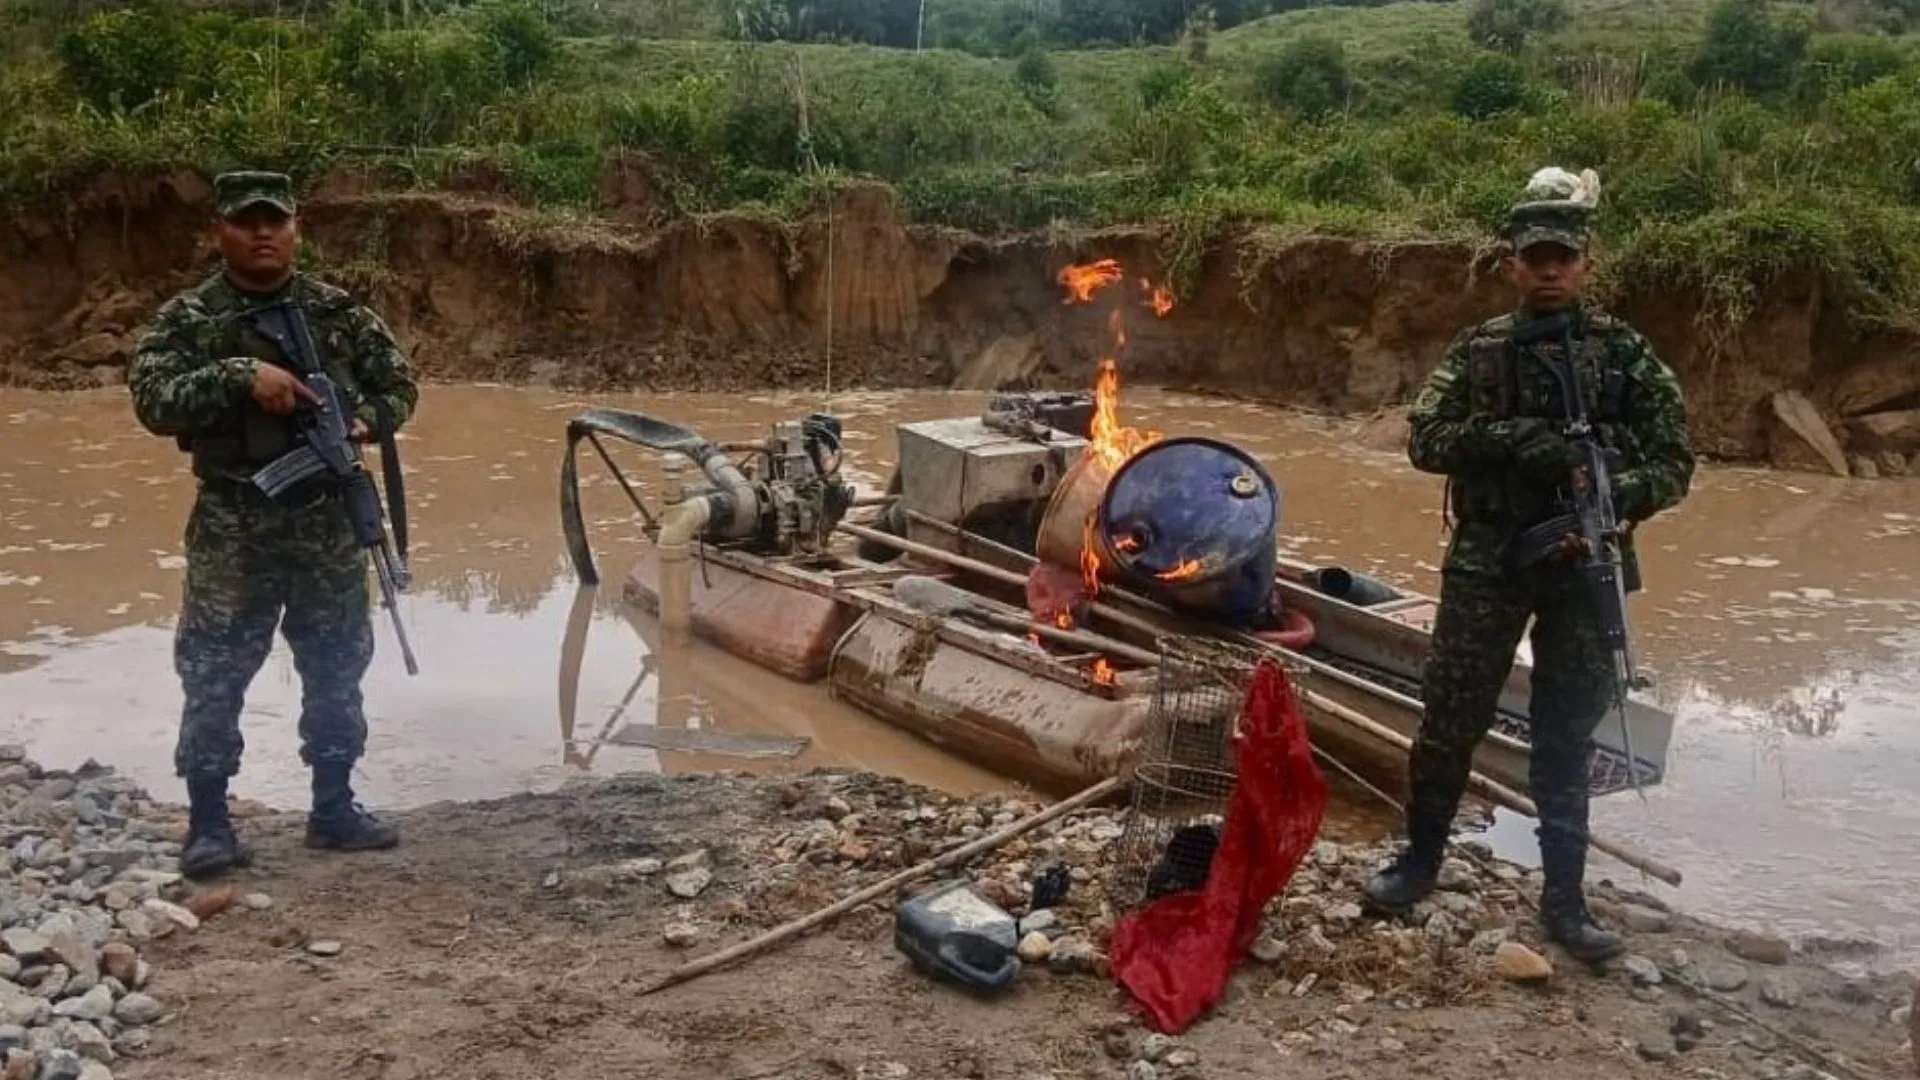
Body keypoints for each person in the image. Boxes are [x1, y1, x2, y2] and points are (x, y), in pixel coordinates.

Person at [1361, 176, 1695, 963]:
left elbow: (1676, 462)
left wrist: (1611, 494)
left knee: (1565, 734)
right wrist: (1511, 440)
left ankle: (1565, 902)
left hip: (1587, 564)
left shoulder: (1625, 355)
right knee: (1449, 719)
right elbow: (1425, 440)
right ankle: (1418, 863)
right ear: (1512, 263)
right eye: (1535, 257)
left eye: (1564, 257)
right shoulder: (1479, 352)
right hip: (1488, 562)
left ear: (1586, 263)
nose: (1550, 271)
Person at [128, 171, 419, 879]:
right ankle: (208, 822)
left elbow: (400, 386)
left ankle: (334, 807)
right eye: (245, 221)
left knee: (337, 663)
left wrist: (360, 420)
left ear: (297, 229)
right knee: (215, 669)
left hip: (325, 520)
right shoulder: (189, 320)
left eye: (275, 221)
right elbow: (154, 400)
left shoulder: (338, 314)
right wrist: (237, 375)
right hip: (235, 521)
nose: (262, 233)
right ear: (219, 231)